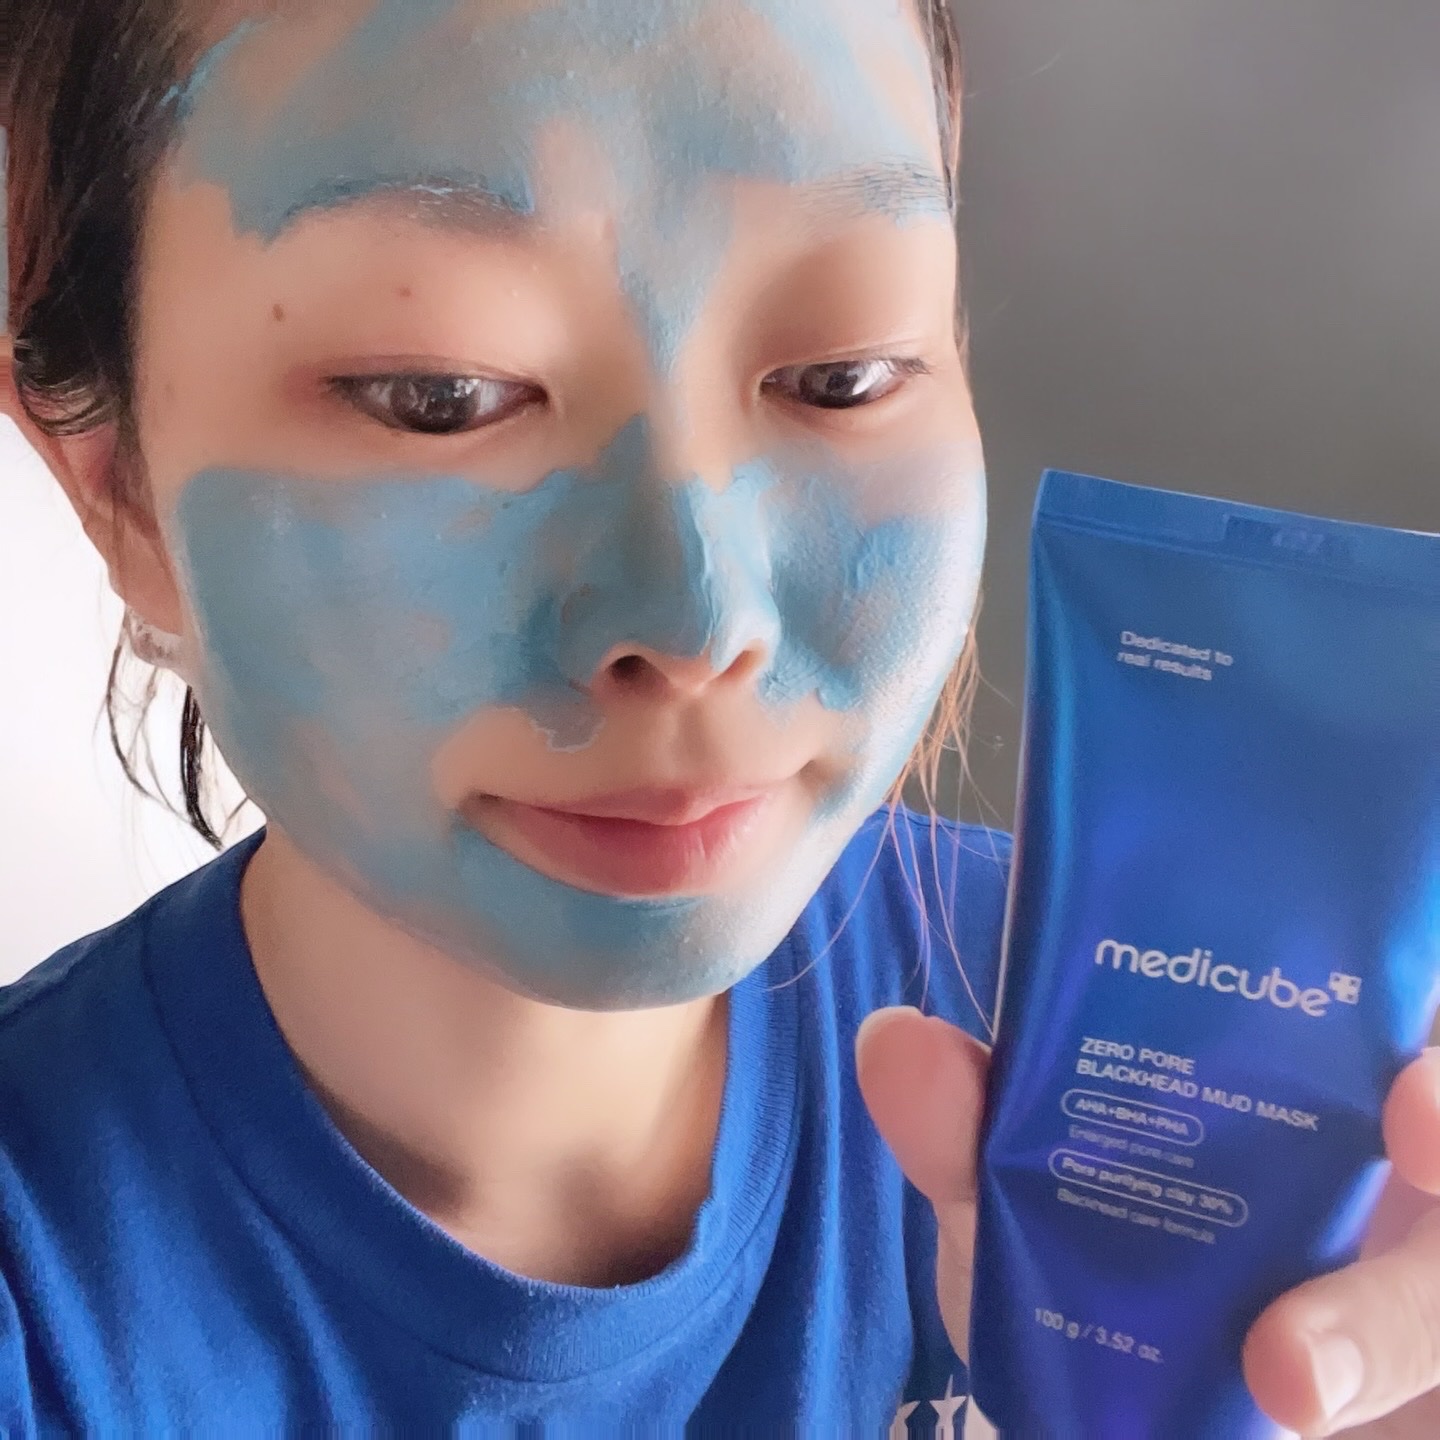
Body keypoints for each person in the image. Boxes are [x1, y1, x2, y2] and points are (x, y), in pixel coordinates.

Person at [2, 1, 1437, 1433]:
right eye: (441, 395)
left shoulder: (1201, 1077)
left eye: (843, 377)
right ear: (111, 482)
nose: (698, 621)